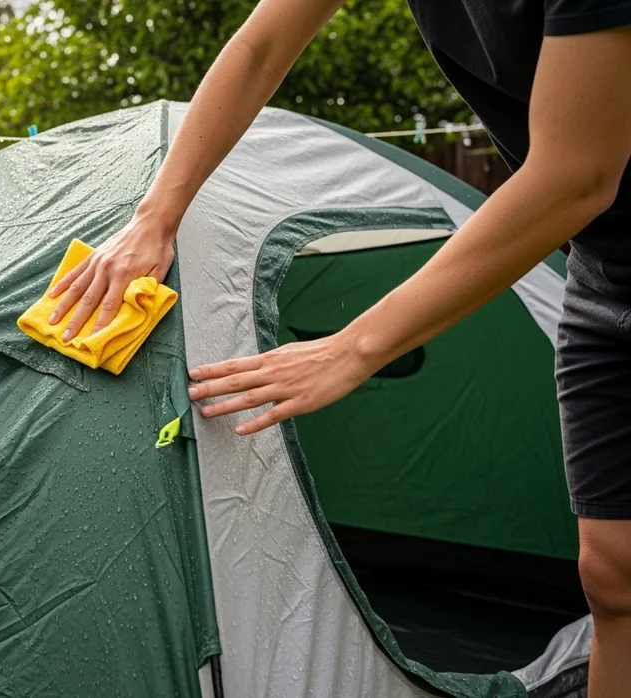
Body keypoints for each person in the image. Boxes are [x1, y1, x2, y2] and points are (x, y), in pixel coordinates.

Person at [44, 0, 631, 693]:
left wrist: (351, 350)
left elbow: (578, 174)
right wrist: (155, 216)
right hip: (607, 268)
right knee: (612, 572)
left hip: (592, 214)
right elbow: (264, 44)